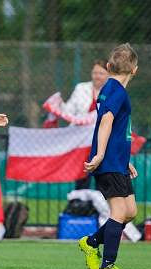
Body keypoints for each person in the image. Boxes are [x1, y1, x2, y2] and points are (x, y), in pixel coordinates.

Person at [79, 43, 139, 269]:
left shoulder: (110, 88)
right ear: (135, 70)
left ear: (108, 66)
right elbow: (106, 121)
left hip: (118, 162)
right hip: (109, 162)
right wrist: (101, 154)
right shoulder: (116, 90)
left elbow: (116, 130)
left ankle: (91, 242)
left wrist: (126, 160)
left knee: (130, 212)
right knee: (119, 211)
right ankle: (107, 267)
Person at [43, 59, 109, 189]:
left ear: (108, 74)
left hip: (102, 139)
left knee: (103, 176)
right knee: (82, 174)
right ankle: (81, 205)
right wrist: (59, 106)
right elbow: (69, 110)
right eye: (95, 72)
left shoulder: (112, 91)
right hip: (81, 140)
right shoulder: (81, 88)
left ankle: (101, 205)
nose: (97, 76)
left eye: (101, 73)